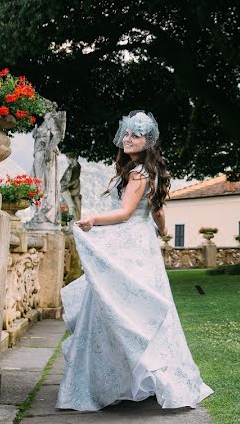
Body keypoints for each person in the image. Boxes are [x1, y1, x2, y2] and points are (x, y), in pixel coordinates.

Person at [56, 110, 214, 411]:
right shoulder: (147, 171)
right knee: (132, 306)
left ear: (147, 141)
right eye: (127, 134)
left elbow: (126, 212)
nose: (128, 139)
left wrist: (93, 220)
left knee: (118, 305)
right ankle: (132, 377)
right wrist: (163, 231)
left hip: (131, 244)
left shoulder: (138, 172)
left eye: (136, 135)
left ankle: (115, 380)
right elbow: (156, 211)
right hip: (140, 244)